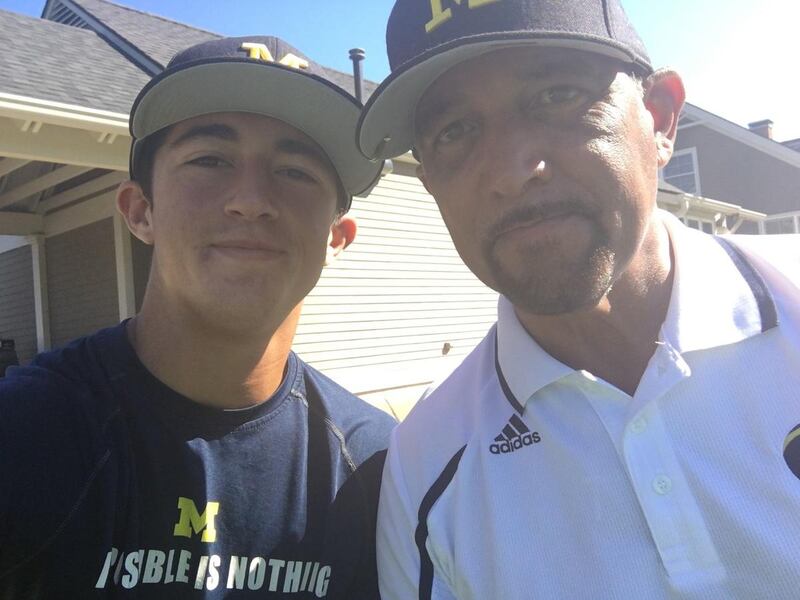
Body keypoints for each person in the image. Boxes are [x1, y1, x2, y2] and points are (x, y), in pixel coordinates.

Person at [356, 0, 800, 598]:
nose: (512, 171)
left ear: (660, 118)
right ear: (430, 181)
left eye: (557, 95)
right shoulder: (424, 465)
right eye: (454, 131)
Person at [0, 36, 396, 599]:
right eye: (210, 159)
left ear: (336, 237)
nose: (251, 200)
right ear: (141, 211)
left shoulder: (378, 467)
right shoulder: (24, 435)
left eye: (295, 170)